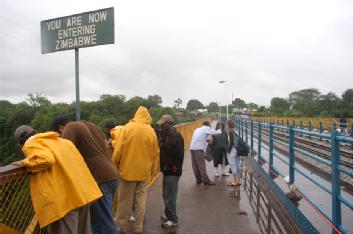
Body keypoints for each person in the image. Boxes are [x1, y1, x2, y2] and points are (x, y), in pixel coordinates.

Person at [12, 125, 102, 234]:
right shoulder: (61, 141)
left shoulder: (31, 144)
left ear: (20, 144)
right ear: (36, 131)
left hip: (64, 200)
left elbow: (46, 159)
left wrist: (24, 163)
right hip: (81, 194)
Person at [53, 118, 119, 234]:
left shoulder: (71, 127)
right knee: (99, 221)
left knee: (103, 223)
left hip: (99, 178)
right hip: (111, 174)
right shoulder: (92, 125)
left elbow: (63, 152)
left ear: (60, 128)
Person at [112, 106, 159, 233]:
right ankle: (138, 227)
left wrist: (114, 165)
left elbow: (117, 151)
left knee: (124, 202)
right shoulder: (151, 131)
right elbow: (155, 153)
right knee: (141, 202)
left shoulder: (127, 128)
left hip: (127, 172)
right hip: (144, 173)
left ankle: (123, 228)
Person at [157, 115, 184, 228]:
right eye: (161, 125)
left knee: (170, 196)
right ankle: (169, 215)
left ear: (169, 124)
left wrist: (165, 146)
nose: (162, 126)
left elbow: (179, 154)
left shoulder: (176, 136)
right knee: (165, 195)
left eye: (163, 124)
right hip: (166, 170)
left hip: (173, 170)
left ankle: (173, 219)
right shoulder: (166, 135)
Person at [189, 121, 221, 185]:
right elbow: (217, 132)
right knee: (201, 165)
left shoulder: (197, 129)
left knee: (195, 165)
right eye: (210, 126)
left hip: (192, 148)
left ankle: (198, 179)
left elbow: (199, 138)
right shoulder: (206, 128)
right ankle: (206, 180)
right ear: (208, 125)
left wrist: (207, 140)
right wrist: (220, 128)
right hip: (198, 149)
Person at [226, 120, 241, 186]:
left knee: (233, 166)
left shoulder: (230, 132)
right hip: (238, 151)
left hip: (232, 151)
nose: (226, 125)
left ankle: (234, 182)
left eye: (227, 124)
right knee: (238, 166)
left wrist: (228, 151)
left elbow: (231, 143)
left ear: (229, 125)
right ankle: (239, 180)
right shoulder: (236, 131)